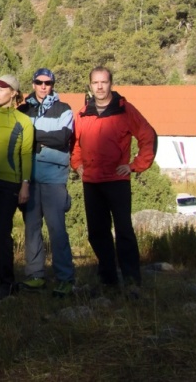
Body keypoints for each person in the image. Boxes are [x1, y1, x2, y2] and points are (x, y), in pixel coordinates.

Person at [71, 66, 157, 297]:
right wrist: (77, 164)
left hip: (117, 180)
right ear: (90, 85)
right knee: (97, 232)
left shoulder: (125, 110)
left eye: (104, 82)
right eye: (95, 83)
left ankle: (131, 280)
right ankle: (108, 277)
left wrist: (135, 165)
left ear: (111, 84)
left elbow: (148, 136)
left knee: (124, 231)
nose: (99, 87)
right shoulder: (82, 114)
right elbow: (75, 144)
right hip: (91, 181)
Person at [17, 68, 76, 297]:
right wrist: (42, 138)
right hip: (28, 178)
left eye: (48, 82)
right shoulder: (23, 108)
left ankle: (65, 278)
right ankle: (35, 275)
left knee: (57, 229)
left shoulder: (64, 109)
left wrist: (33, 135)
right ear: (33, 84)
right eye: (39, 82)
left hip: (54, 177)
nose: (43, 86)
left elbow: (63, 138)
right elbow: (18, 137)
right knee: (32, 229)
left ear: (52, 84)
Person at [0, 75, 33, 299]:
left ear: (14, 93)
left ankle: (7, 282)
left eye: (2, 88)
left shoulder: (23, 121)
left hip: (9, 184)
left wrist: (25, 185)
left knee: (2, 232)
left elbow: (26, 155)